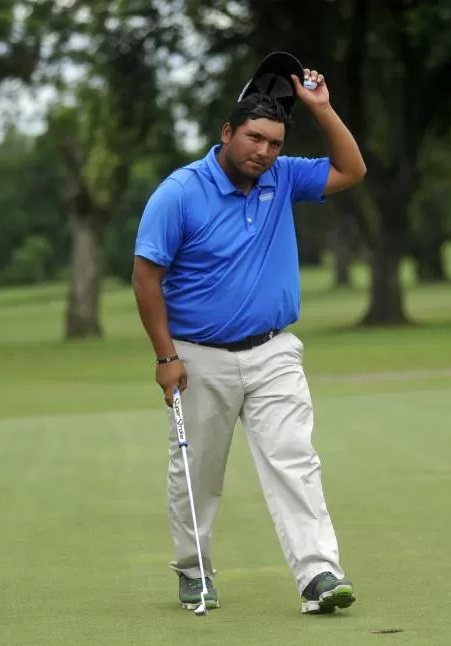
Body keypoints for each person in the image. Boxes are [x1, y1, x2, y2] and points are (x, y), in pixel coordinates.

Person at [131, 58, 367, 616]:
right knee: (198, 473)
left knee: (294, 460)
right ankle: (195, 571)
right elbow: (146, 278)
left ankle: (319, 575)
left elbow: (351, 170)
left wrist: (321, 109)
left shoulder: (282, 179)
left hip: (274, 351)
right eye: (255, 138)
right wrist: (165, 356)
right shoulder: (180, 192)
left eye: (275, 143)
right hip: (198, 356)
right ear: (227, 134)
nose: (264, 151)